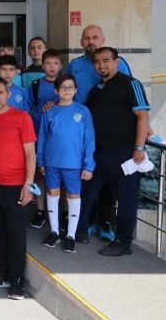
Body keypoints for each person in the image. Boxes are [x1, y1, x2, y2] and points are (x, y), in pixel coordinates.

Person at [77, 47, 149, 257]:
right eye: (97, 61)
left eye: (106, 60)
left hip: (125, 153)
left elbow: (142, 116)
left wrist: (139, 148)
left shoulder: (131, 83)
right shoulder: (96, 91)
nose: (101, 65)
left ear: (117, 62)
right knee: (86, 194)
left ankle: (123, 242)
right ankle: (78, 230)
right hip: (99, 154)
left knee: (126, 200)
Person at [65, 25, 133, 242]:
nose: (90, 41)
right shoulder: (75, 66)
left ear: (103, 39)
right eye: (86, 38)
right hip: (85, 130)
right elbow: (65, 89)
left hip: (114, 134)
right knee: (88, 178)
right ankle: (85, 223)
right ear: (81, 42)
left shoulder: (120, 67)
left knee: (110, 182)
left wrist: (143, 129)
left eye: (95, 37)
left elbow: (133, 99)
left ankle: (105, 222)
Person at [0, 78, 37, 300]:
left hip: (15, 186)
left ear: (8, 94)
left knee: (16, 235)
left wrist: (28, 184)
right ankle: (1, 274)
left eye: (0, 92)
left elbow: (30, 153)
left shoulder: (22, 118)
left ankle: (17, 280)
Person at [37, 74, 95, 253]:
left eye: (70, 87)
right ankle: (54, 231)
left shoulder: (83, 111)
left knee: (73, 197)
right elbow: (42, 138)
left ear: (76, 90)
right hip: (52, 162)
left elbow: (89, 140)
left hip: (74, 163)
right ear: (56, 90)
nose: (67, 90)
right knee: (52, 194)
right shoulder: (50, 112)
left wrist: (88, 164)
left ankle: (71, 235)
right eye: (63, 87)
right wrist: (40, 161)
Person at [27, 49, 63, 228]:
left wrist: (55, 104)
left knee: (61, 173)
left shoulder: (66, 84)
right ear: (42, 66)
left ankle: (63, 213)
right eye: (48, 63)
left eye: (56, 63)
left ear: (61, 66)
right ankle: (40, 210)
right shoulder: (35, 85)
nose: (52, 67)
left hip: (59, 137)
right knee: (39, 173)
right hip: (37, 134)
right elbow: (28, 108)